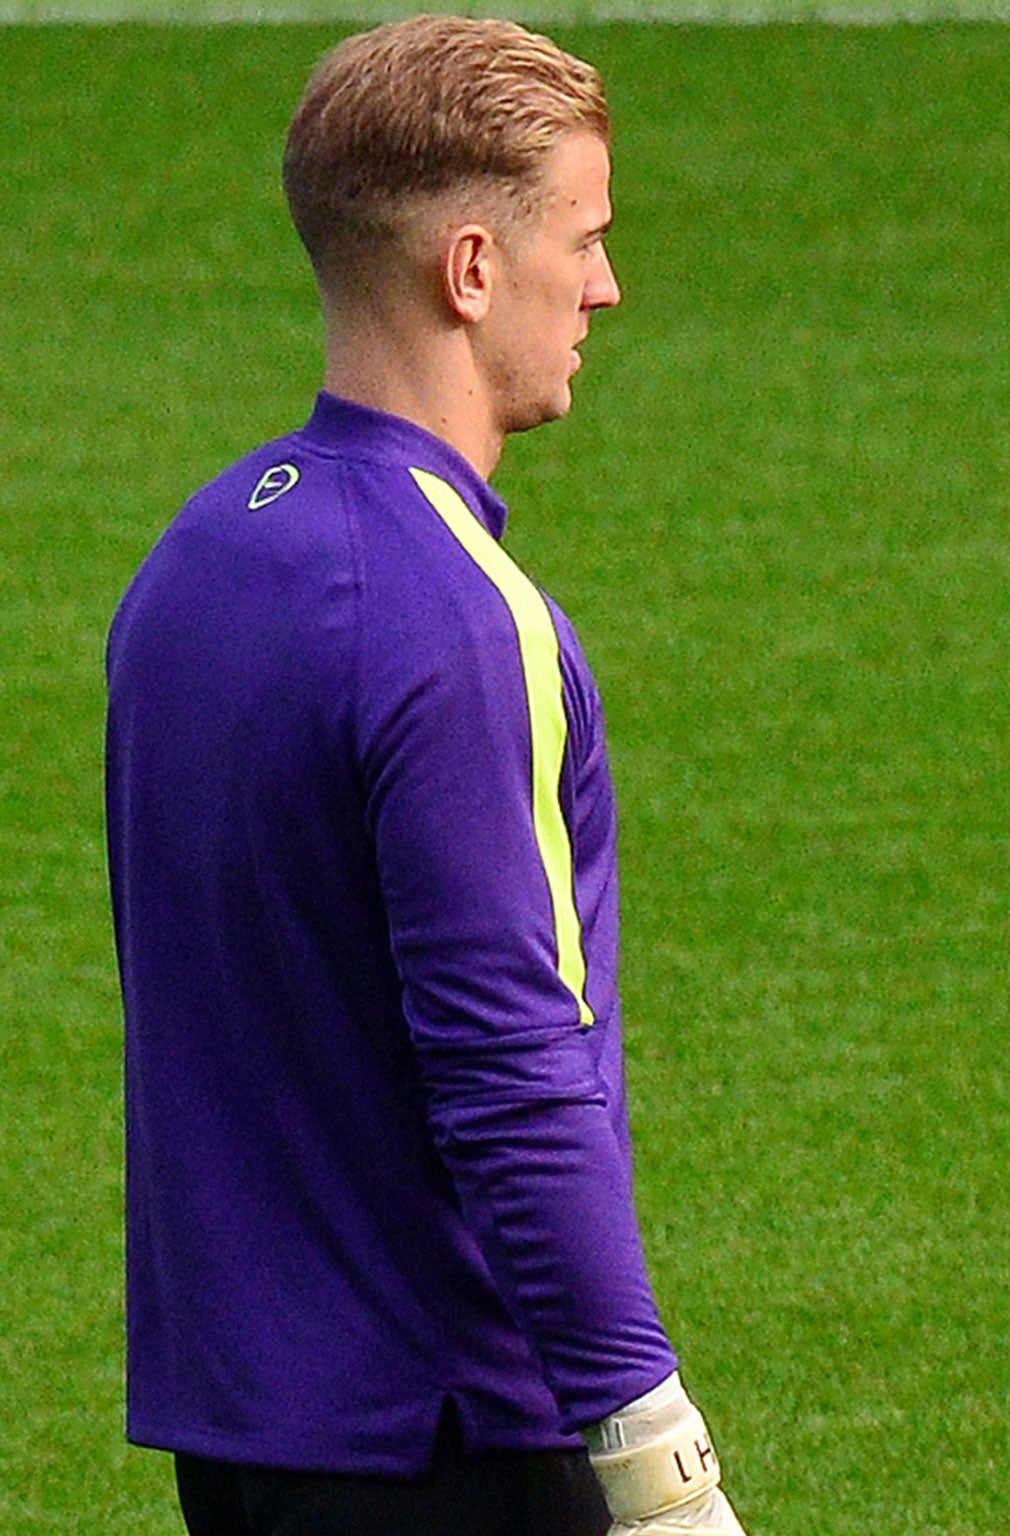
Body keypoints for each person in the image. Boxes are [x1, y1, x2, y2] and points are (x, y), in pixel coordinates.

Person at [105, 18, 743, 1536]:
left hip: (245, 1433)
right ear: (469, 269)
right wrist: (657, 1464)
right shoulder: (456, 622)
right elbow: (514, 1071)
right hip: (449, 1435)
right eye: (582, 242)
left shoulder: (193, 562)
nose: (604, 286)